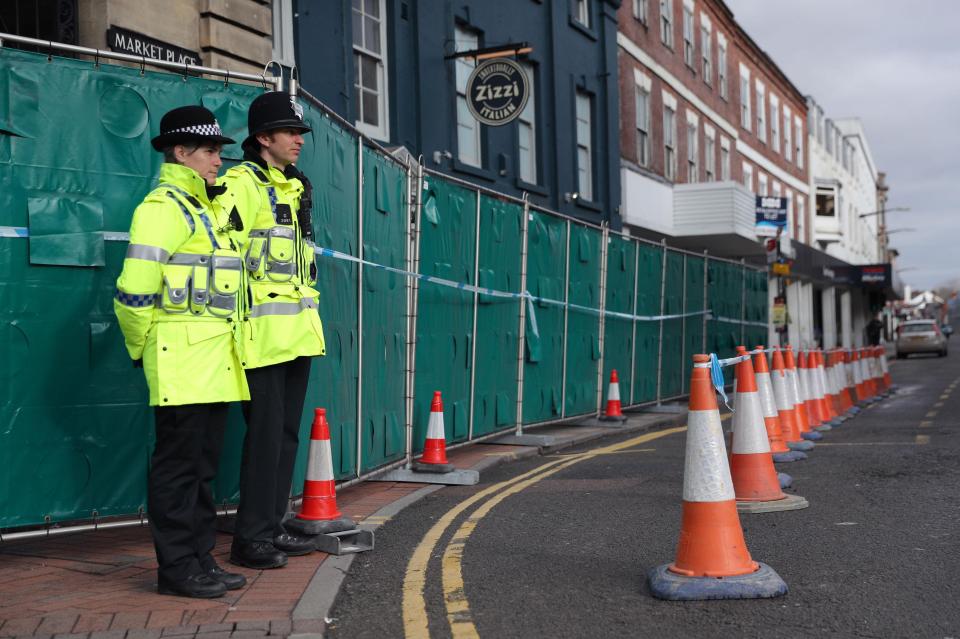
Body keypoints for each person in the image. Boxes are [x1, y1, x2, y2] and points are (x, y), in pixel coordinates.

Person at [114, 106, 249, 598]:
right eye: (211, 151)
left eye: (219, 151)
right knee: (178, 469)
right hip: (181, 363)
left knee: (202, 469)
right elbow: (133, 292)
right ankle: (176, 570)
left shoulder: (203, 208)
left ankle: (199, 560)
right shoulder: (163, 207)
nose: (219, 160)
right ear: (180, 151)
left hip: (212, 364)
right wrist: (144, 345)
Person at [223, 91, 326, 569]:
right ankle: (250, 540)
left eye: (300, 132)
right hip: (259, 338)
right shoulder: (241, 183)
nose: (298, 140)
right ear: (263, 139)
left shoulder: (295, 188)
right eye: (289, 132)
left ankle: (271, 525)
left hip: (297, 335)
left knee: (284, 436)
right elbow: (224, 254)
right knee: (264, 438)